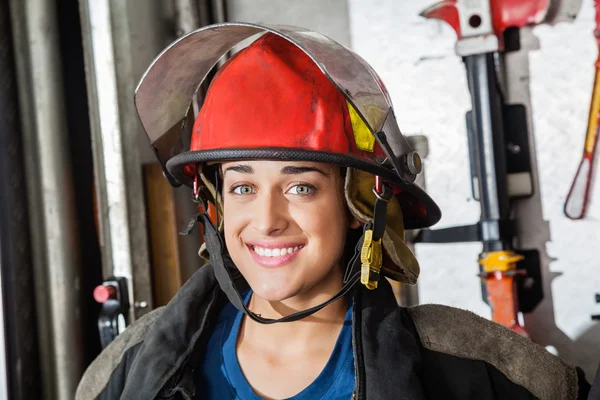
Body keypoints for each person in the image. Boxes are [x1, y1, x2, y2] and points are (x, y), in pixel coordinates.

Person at [76, 23, 591, 399]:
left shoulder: (477, 369)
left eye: (300, 187)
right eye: (241, 187)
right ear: (211, 204)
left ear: (358, 204)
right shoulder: (129, 368)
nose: (267, 219)